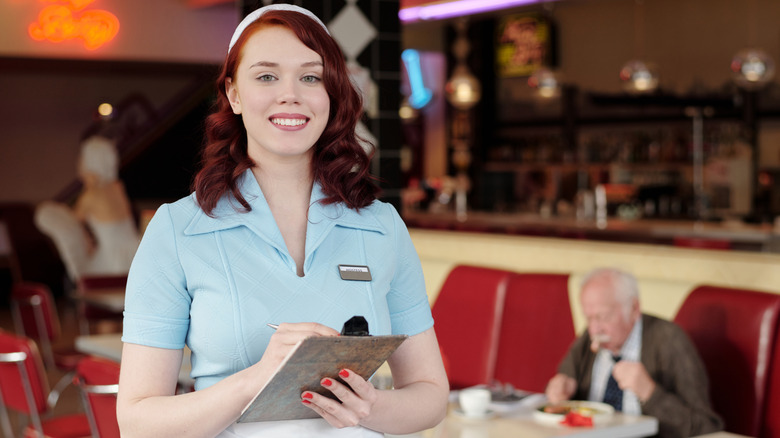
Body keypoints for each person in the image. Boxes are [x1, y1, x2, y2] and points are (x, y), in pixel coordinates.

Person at [116, 4, 449, 438]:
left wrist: (370, 406)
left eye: (310, 77)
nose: (290, 94)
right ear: (234, 94)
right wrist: (259, 377)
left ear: (331, 93)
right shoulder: (178, 230)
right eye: (266, 76)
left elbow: (430, 395)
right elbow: (137, 423)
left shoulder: (382, 226)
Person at [545, 268, 723, 438]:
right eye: (589, 318)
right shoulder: (590, 338)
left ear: (634, 309)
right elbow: (564, 384)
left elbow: (707, 429)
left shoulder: (669, 340)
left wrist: (650, 394)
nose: (594, 329)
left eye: (603, 316)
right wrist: (563, 390)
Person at [34, 135, 140, 281]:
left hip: (113, 260)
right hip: (137, 250)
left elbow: (72, 224)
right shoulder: (117, 188)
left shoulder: (89, 196)